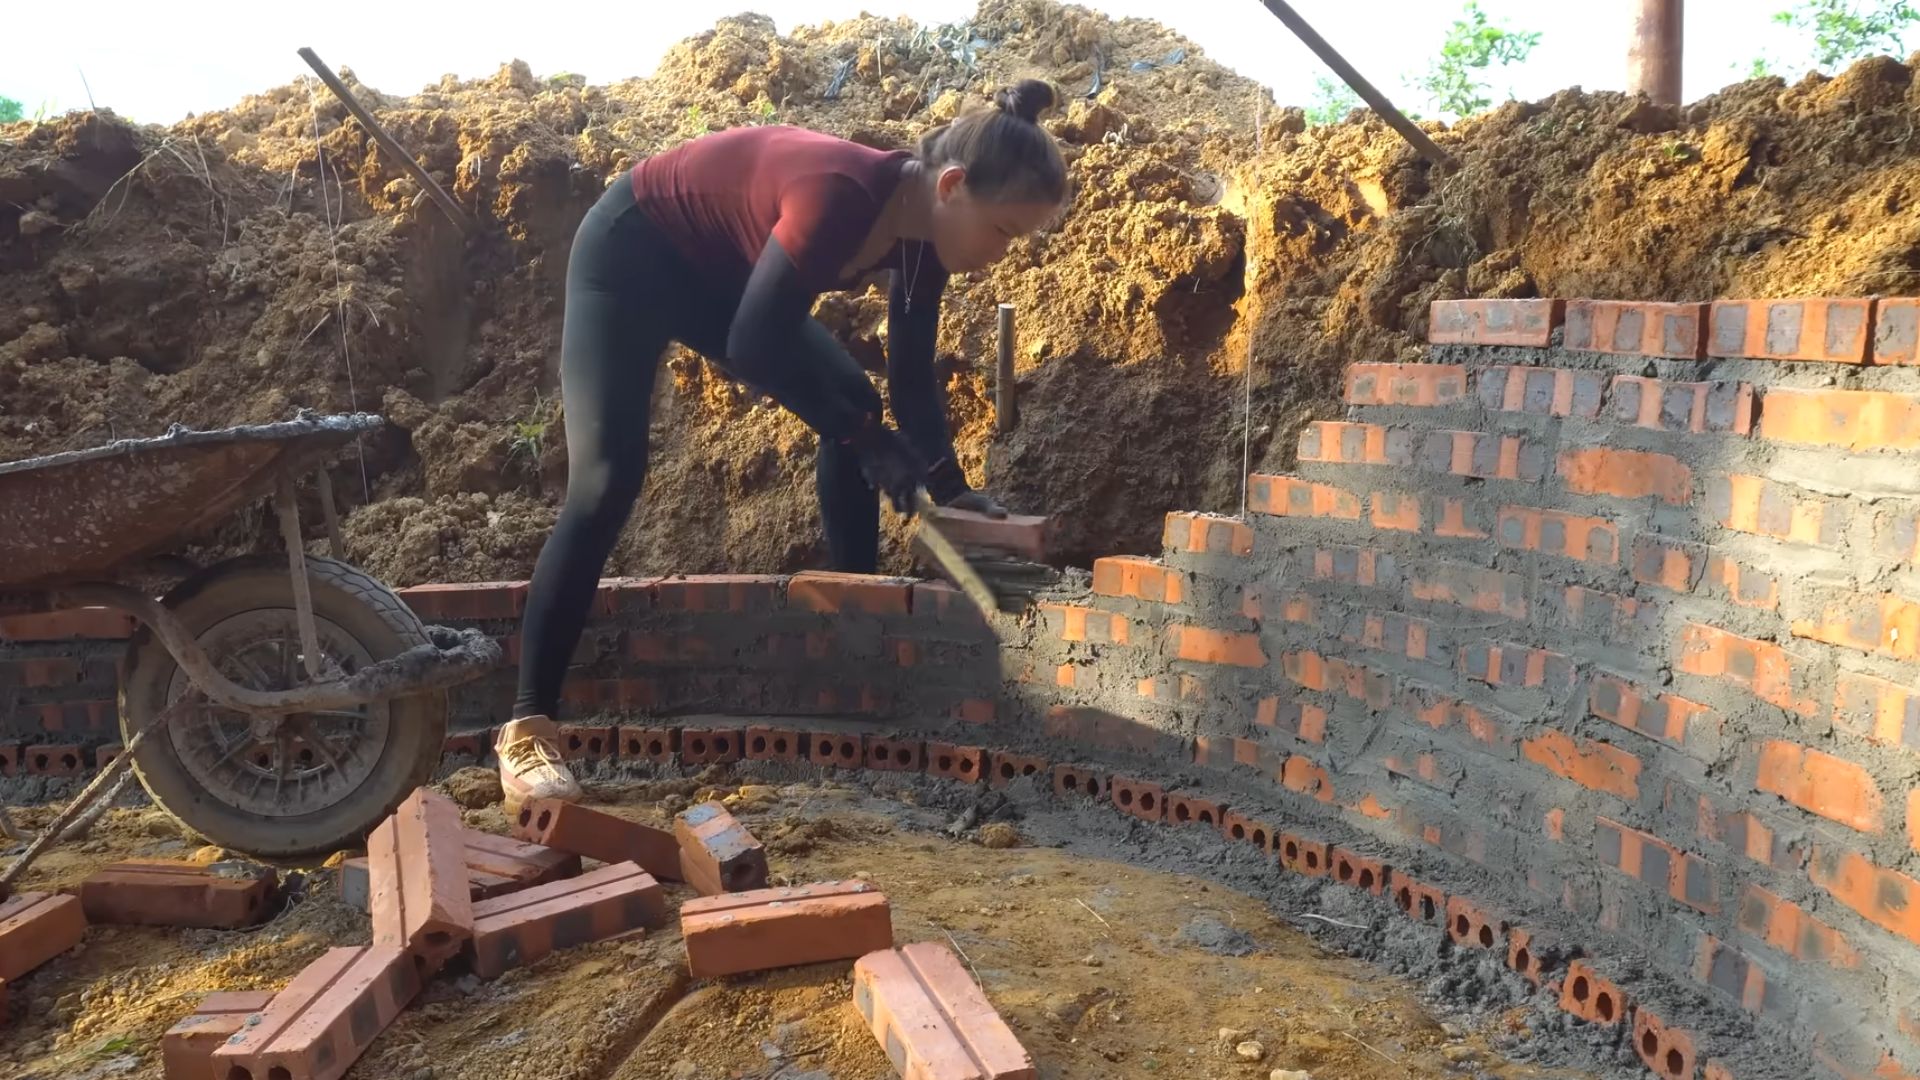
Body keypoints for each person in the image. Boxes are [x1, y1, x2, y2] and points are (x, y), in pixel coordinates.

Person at [494, 79, 1072, 812]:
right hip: (631, 255)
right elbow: (753, 347)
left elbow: (909, 376)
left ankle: (858, 633)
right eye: (1004, 233)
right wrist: (867, 441)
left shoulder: (925, 234)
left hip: (718, 279)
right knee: (607, 482)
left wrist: (947, 484)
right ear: (954, 186)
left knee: (856, 400)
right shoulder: (840, 196)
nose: (1002, 255)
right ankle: (527, 728)